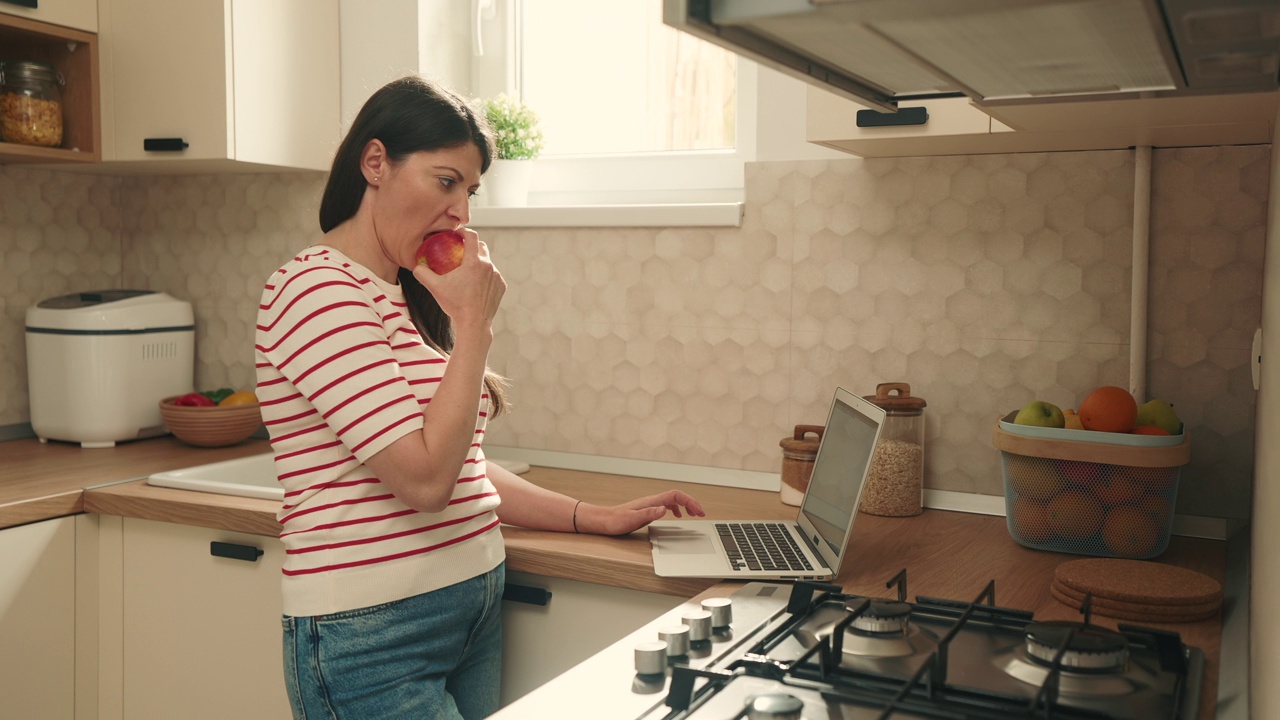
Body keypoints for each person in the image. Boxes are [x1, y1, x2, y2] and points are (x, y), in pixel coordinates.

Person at [254, 75, 704, 720]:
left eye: (470, 190)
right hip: (370, 635)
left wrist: (590, 515)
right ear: (375, 162)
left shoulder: (400, 293)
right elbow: (423, 481)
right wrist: (475, 328)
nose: (462, 211)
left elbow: (454, 461)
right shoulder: (317, 291)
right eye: (445, 181)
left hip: (469, 607)